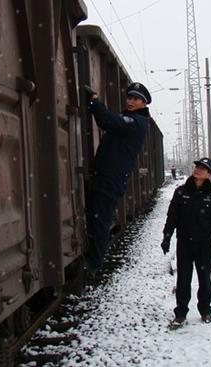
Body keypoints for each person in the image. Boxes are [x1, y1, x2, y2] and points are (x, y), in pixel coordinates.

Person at [84, 82, 152, 273]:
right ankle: (92, 259)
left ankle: (94, 265)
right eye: (129, 97)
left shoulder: (137, 123)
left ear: (144, 103)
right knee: (95, 217)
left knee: (100, 220)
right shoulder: (129, 119)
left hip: (111, 179)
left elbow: (106, 121)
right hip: (105, 176)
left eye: (136, 99)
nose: (131, 101)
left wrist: (95, 102)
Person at [161, 157, 211, 329]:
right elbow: (172, 216)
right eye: (197, 166)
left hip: (204, 244)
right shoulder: (181, 192)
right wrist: (167, 236)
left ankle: (205, 310)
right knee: (183, 279)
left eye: (203, 168)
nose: (198, 169)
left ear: (209, 174)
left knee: (204, 279)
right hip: (184, 243)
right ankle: (181, 313)